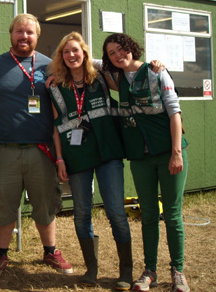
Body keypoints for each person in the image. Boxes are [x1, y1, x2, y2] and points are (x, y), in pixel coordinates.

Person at [0, 13, 72, 277]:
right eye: (19, 31)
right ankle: (1, 254)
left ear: (37, 36)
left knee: (45, 202)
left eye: (29, 32)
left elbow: (81, 72)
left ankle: (50, 251)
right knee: (3, 203)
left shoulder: (51, 65)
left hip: (41, 150)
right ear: (11, 34)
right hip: (5, 151)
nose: (24, 36)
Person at [102, 33, 190, 292]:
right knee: (149, 215)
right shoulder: (117, 78)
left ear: (131, 48)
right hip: (140, 157)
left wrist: (176, 152)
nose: (118, 55)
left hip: (168, 152)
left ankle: (178, 272)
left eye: (121, 49)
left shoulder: (156, 72)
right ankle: (149, 270)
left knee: (172, 215)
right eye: (112, 53)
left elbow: (175, 113)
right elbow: (86, 61)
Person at [47, 31, 132, 290]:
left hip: (108, 153)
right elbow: (56, 127)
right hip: (76, 156)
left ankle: (125, 272)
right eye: (66, 51)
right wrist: (59, 159)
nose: (71, 55)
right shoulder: (56, 87)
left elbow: (127, 73)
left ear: (84, 53)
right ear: (61, 57)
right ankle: (91, 268)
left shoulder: (102, 77)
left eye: (76, 50)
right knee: (82, 212)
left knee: (116, 211)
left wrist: (153, 66)